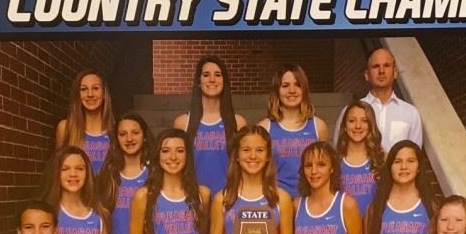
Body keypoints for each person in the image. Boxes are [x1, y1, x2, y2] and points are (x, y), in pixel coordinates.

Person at [335, 99, 385, 234]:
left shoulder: (380, 161)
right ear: (344, 126)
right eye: (352, 121)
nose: (357, 126)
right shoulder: (336, 161)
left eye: (363, 121)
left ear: (371, 125)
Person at [174, 55, 247, 195]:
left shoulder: (238, 122)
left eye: (218, 75)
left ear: (224, 81)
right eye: (206, 75)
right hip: (195, 198)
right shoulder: (183, 123)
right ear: (199, 82)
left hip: (227, 197)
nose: (212, 79)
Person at [259, 64, 329, 195]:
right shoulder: (264, 128)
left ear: (304, 90)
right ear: (277, 90)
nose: (292, 90)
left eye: (297, 84)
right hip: (277, 200)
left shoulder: (319, 126)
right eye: (285, 86)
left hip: (309, 201)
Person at [337, 47, 423, 153]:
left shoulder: (411, 113)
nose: (381, 71)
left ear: (395, 73)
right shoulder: (350, 112)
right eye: (375, 66)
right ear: (367, 75)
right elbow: (339, 152)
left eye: (386, 66)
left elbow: (414, 157)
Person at [55, 70, 114, 174]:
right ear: (78, 95)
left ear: (104, 94)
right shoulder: (65, 128)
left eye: (95, 88)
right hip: (78, 189)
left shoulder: (116, 129)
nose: (90, 94)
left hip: (108, 189)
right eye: (83, 89)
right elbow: (58, 170)